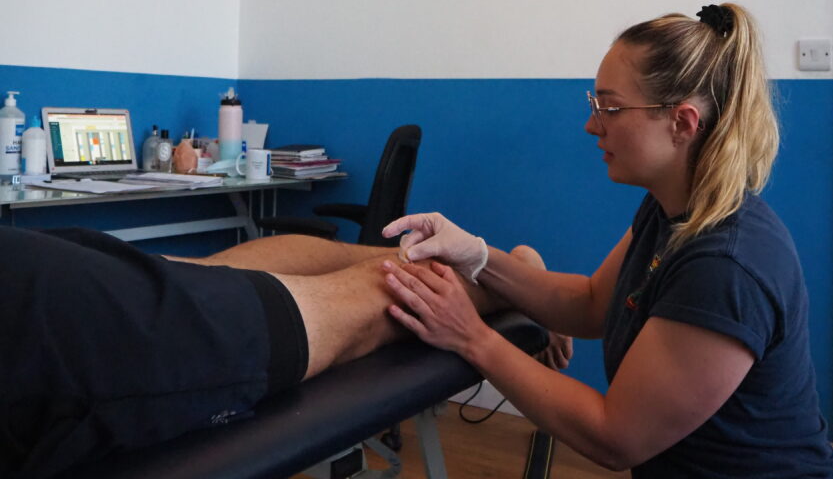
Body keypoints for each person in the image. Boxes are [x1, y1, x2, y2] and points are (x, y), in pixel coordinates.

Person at [381, 3, 833, 478]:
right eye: (594, 105)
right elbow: (590, 303)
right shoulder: (671, 211)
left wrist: (471, 337)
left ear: (682, 123)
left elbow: (616, 437)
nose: (592, 124)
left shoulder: (726, 265)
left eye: (611, 107)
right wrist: (475, 254)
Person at [0, 225, 566, 478]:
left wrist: (519, 291)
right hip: (34, 273)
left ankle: (511, 273)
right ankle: (510, 267)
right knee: (209, 273)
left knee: (361, 297)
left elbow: (619, 438)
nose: (596, 121)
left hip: (49, 325)